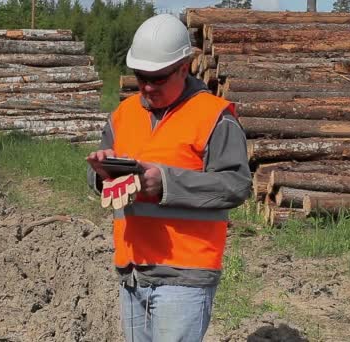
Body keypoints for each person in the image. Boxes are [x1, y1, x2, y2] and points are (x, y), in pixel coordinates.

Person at [86, 14, 252, 342]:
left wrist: (165, 183)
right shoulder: (124, 115)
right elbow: (101, 177)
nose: (147, 86)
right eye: (141, 76)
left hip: (184, 276)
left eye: (158, 78)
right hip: (132, 272)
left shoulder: (213, 117)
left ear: (184, 67)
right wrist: (102, 175)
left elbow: (236, 185)